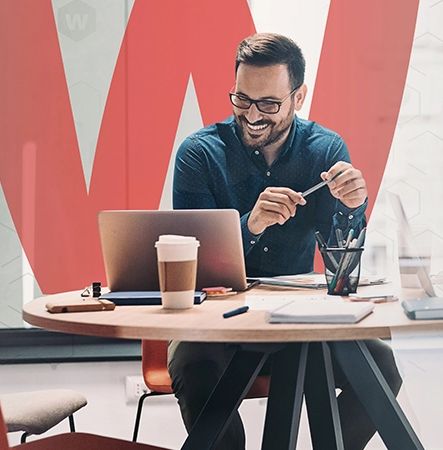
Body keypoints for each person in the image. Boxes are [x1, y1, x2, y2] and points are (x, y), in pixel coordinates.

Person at [168, 33, 403, 450]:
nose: (253, 115)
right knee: (193, 364)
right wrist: (251, 226)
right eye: (242, 100)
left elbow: (342, 273)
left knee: (383, 368)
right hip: (217, 325)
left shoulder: (325, 150)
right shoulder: (199, 154)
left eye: (269, 105)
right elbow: (191, 266)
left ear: (299, 97)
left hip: (300, 323)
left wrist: (352, 207)